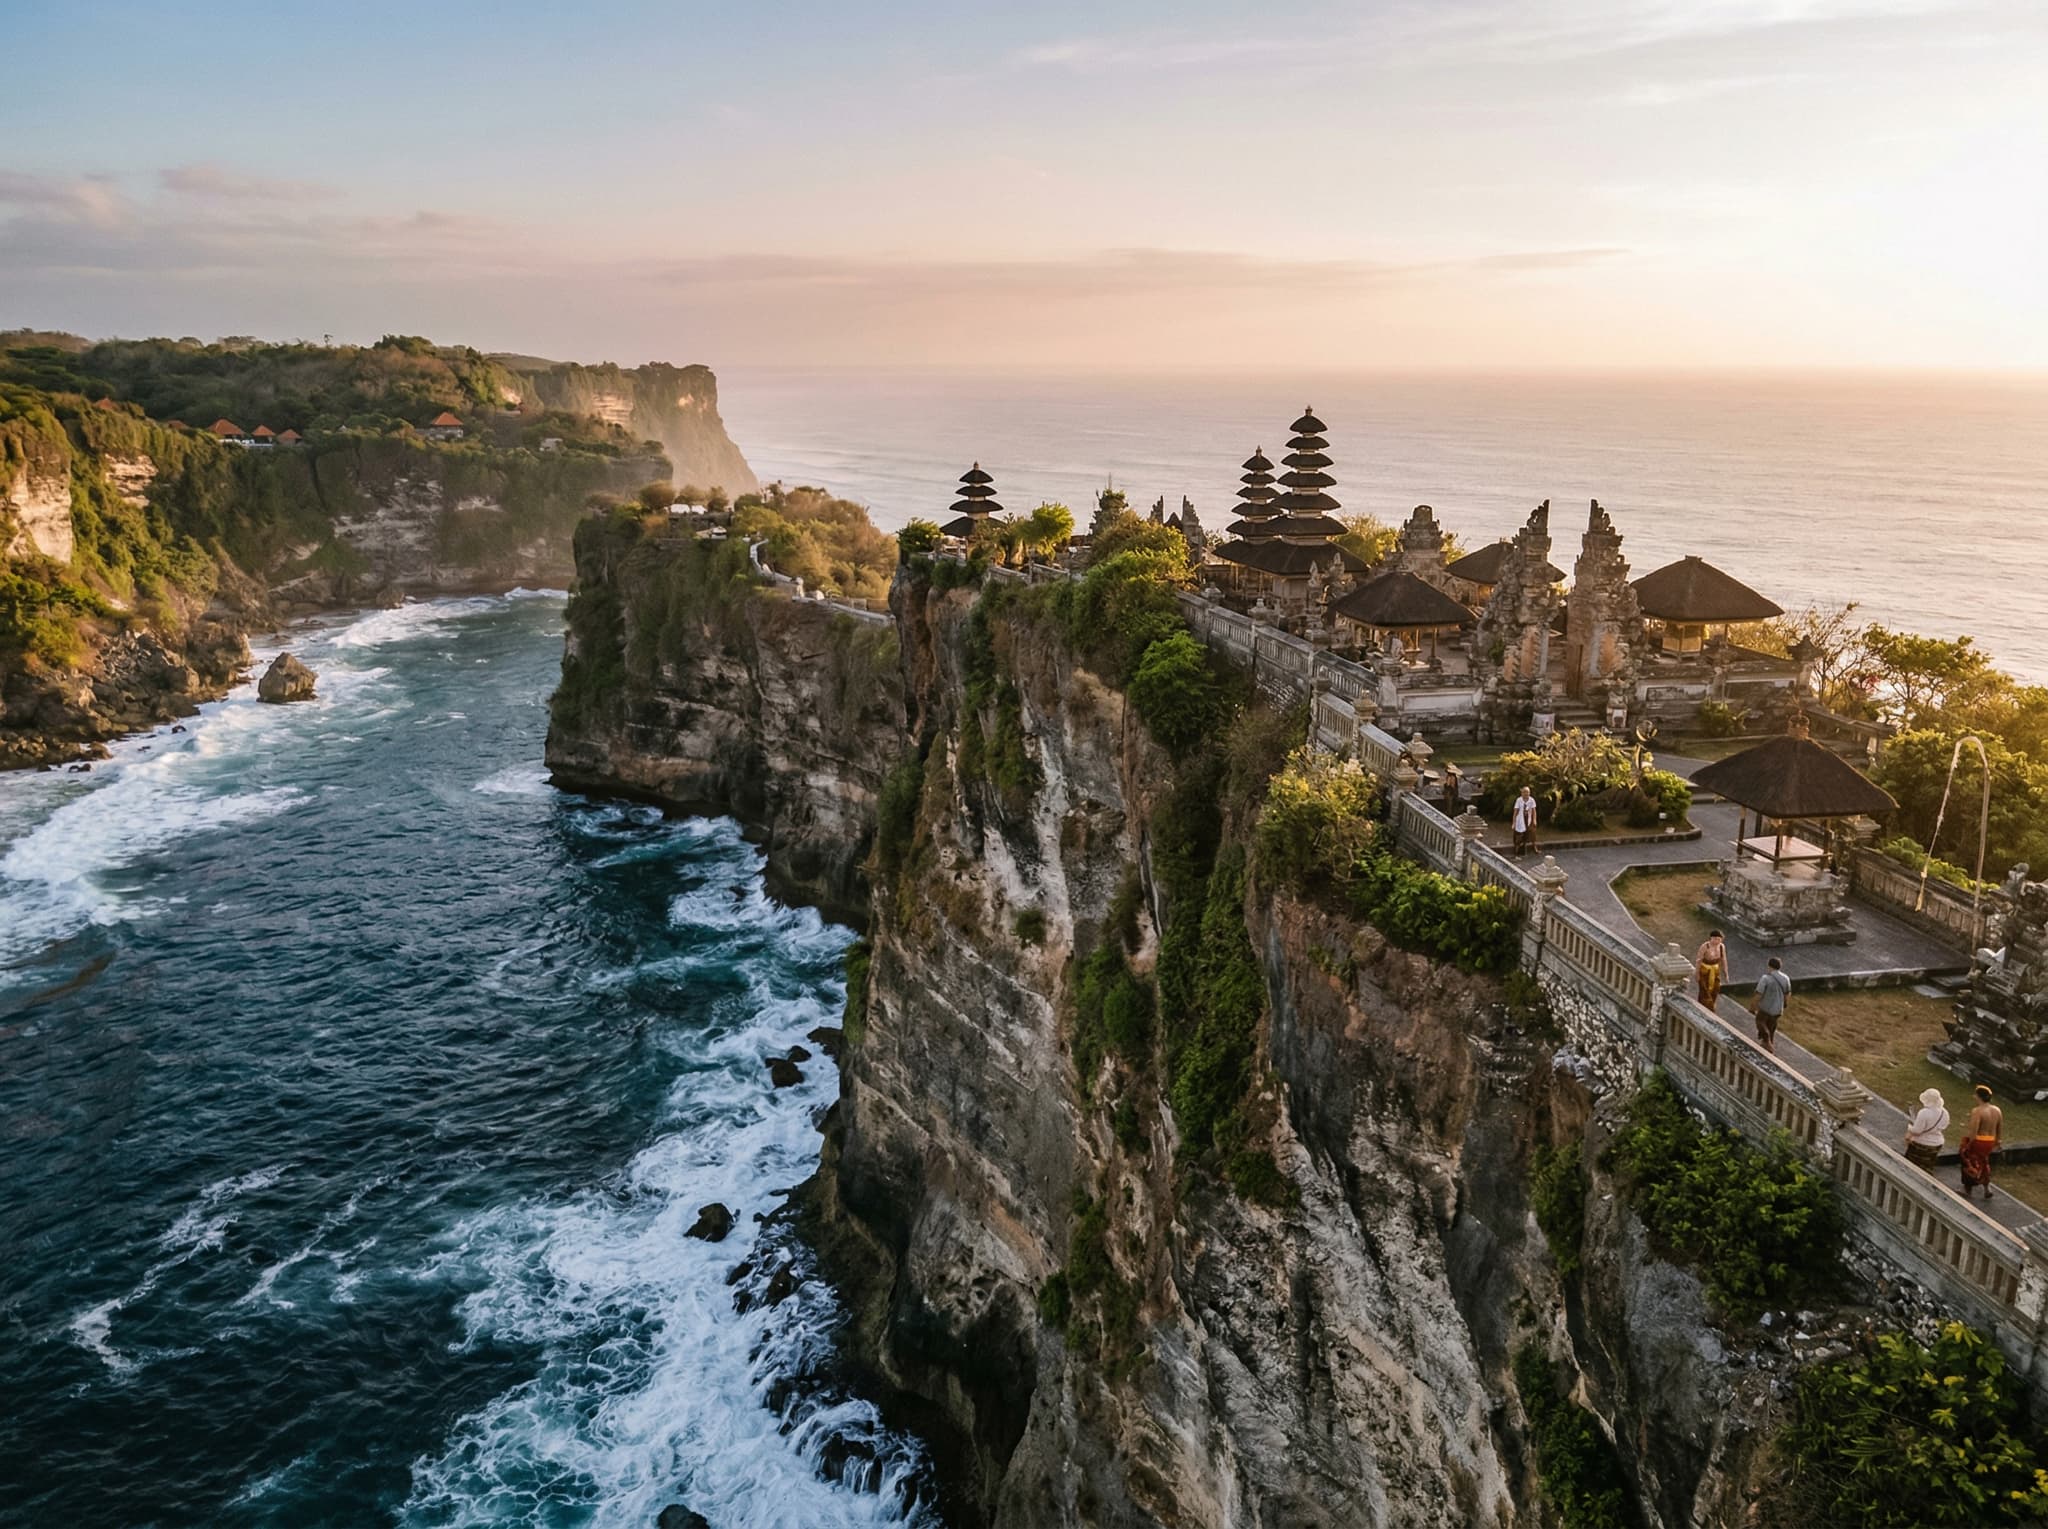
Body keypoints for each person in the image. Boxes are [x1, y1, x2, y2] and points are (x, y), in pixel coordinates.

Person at [1960, 1084, 2002, 1199]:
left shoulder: (1977, 1111)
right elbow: (1999, 1128)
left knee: (1968, 1162)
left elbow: (1974, 1131)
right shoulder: (1997, 1110)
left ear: (1979, 1097)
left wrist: (1968, 1144)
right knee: (1984, 1162)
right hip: (1990, 1141)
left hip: (1978, 1140)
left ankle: (1968, 1189)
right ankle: (1987, 1187)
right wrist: (1998, 1141)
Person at [1749, 956, 1791, 1054]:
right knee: (1771, 1028)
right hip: (1777, 1010)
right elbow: (1788, 993)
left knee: (1760, 1022)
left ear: (1769, 966)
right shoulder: (1786, 978)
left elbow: (1758, 994)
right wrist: (1785, 1004)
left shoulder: (1765, 978)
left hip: (1765, 1008)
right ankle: (1768, 1048)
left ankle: (1766, 1039)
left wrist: (1752, 1007)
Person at [1905, 1087, 1950, 1172]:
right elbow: (1944, 1125)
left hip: (1921, 1144)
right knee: (1927, 1167)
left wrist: (1909, 1128)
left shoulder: (1924, 1113)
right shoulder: (1945, 1113)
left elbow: (1917, 1131)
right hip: (1937, 1144)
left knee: (1912, 1167)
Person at [1695, 930, 1728, 1009]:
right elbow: (1699, 960)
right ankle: (1705, 1007)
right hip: (1704, 970)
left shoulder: (1721, 946)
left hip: (1715, 970)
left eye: (1719, 939)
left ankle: (1711, 1005)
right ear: (1711, 938)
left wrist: (1726, 973)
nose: (1717, 941)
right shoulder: (1705, 946)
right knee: (1704, 990)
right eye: (1716, 939)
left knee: (1715, 989)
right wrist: (1696, 973)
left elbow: (1724, 960)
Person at [1511, 786, 1538, 858]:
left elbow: (1534, 811)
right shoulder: (1519, 800)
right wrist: (1514, 822)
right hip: (1520, 819)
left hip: (1528, 819)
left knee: (1532, 833)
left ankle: (1534, 847)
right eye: (1524, 792)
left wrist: (1534, 820)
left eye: (1527, 792)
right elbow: (1515, 812)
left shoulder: (1532, 800)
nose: (1526, 794)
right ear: (1521, 793)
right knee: (1518, 836)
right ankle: (1516, 852)